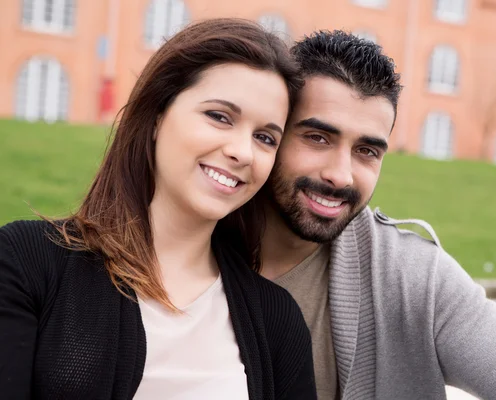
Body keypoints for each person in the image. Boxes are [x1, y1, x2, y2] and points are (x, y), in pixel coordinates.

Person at [259, 30, 496, 400]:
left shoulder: (411, 277)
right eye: (318, 138)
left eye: (367, 151)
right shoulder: (198, 247)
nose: (340, 175)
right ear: (273, 132)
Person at [0, 18, 317, 400]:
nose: (242, 151)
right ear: (156, 116)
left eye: (265, 138)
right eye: (219, 116)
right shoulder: (27, 261)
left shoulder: (277, 321)